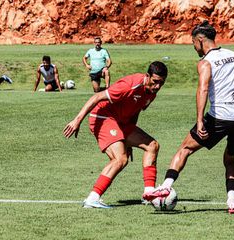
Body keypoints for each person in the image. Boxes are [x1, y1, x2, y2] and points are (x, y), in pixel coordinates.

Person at [143, 21, 234, 214]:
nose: (193, 47)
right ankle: (232, 202)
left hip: (221, 116)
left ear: (200, 40)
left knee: (184, 149)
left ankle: (165, 186)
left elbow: (203, 88)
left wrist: (200, 120)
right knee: (231, 160)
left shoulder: (206, 62)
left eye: (193, 42)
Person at [63, 61, 168, 208]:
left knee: (152, 146)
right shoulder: (129, 85)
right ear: (147, 76)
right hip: (103, 117)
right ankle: (92, 199)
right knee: (120, 159)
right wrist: (77, 120)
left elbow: (135, 110)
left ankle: (149, 194)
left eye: (161, 83)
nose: (157, 86)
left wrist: (127, 138)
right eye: (155, 81)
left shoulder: (151, 92)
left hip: (121, 122)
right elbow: (96, 97)